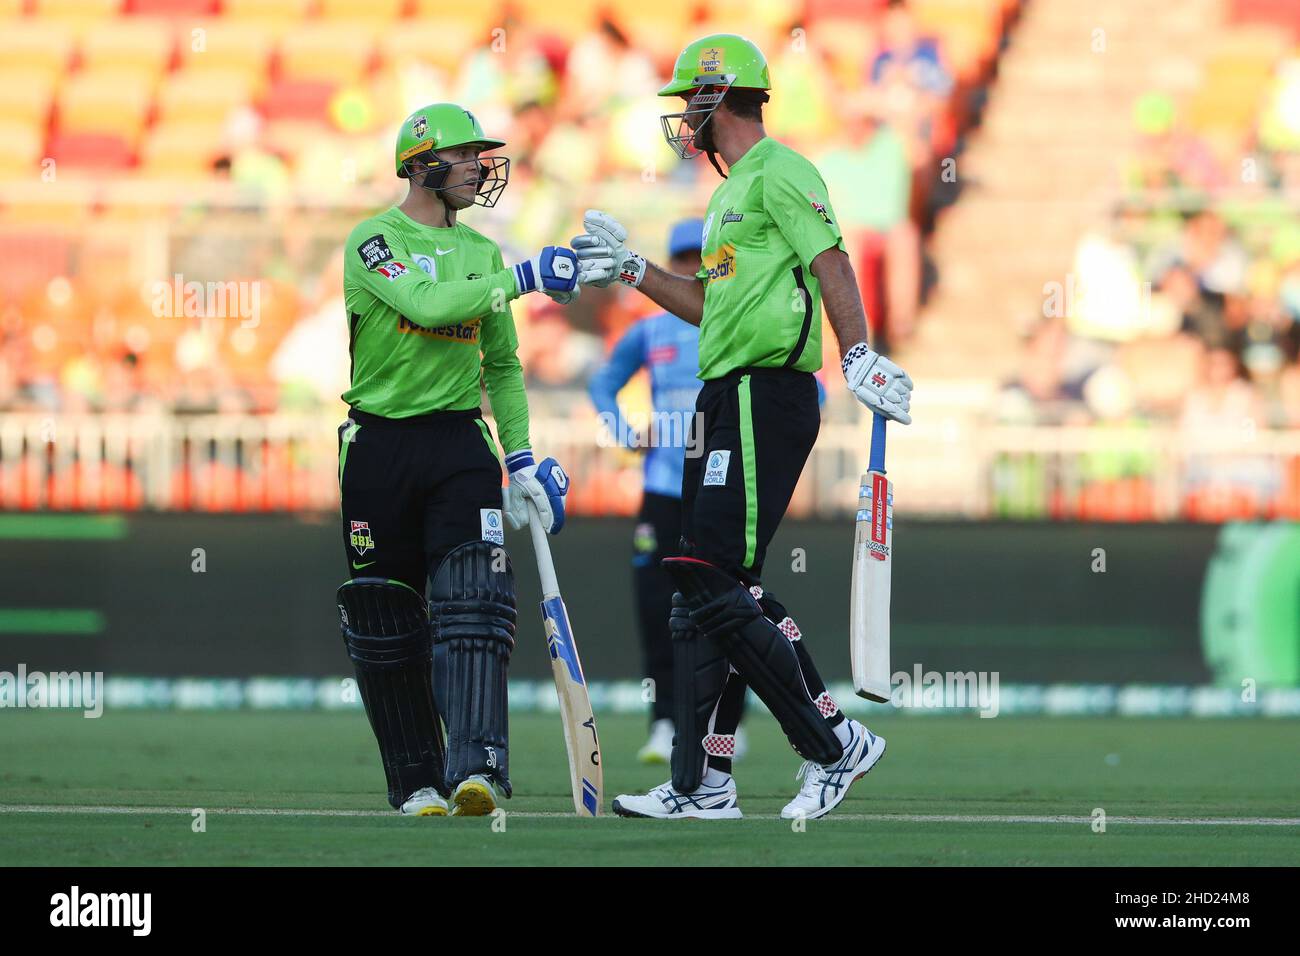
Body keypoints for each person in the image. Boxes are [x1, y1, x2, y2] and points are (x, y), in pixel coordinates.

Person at [571, 35, 914, 820]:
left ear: (721, 98)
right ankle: (702, 784)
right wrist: (632, 269)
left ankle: (833, 746)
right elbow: (708, 306)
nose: (681, 116)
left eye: (689, 99)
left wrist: (858, 354)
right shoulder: (729, 195)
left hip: (768, 394)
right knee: (702, 585)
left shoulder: (782, 170)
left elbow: (832, 259)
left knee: (711, 576)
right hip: (725, 395)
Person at [336, 103, 579, 817]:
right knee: (388, 618)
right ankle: (415, 781)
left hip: (458, 443)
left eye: (481, 154)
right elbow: (427, 302)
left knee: (476, 598)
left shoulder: (482, 253)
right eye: (466, 154)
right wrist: (527, 274)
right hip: (378, 444)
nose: (480, 165)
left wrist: (524, 458)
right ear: (420, 164)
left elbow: (501, 366)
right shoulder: (373, 240)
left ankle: (479, 772)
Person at [587, 218, 749, 765]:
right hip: (662, 487)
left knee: (727, 608)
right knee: (658, 611)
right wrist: (625, 433)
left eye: (696, 258)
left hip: (720, 485)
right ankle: (663, 723)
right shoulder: (652, 331)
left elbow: (810, 389)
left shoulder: (736, 322)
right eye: (679, 258)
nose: (687, 268)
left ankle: (726, 726)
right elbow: (603, 381)